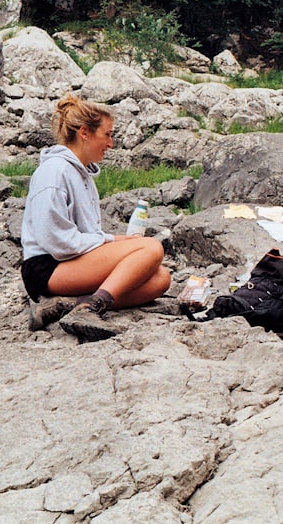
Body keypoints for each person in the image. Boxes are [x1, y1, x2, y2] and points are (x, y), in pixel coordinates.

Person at [20, 94, 172, 342]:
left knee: (160, 278)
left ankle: (63, 306)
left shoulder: (80, 174)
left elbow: (81, 238)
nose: (111, 144)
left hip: (69, 260)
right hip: (47, 268)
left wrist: (116, 240)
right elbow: (58, 242)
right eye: (107, 135)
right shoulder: (54, 172)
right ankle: (90, 308)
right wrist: (110, 242)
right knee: (152, 248)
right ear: (84, 133)